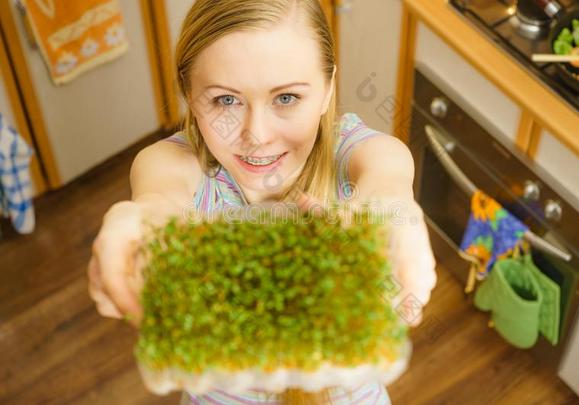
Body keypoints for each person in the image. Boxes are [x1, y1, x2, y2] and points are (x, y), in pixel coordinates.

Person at [87, 0, 437, 403]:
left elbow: (387, 182)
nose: (256, 134)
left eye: (286, 98)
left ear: (327, 90)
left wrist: (391, 214)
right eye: (225, 100)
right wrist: (141, 222)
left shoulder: (358, 157)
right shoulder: (173, 164)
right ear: (189, 93)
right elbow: (156, 199)